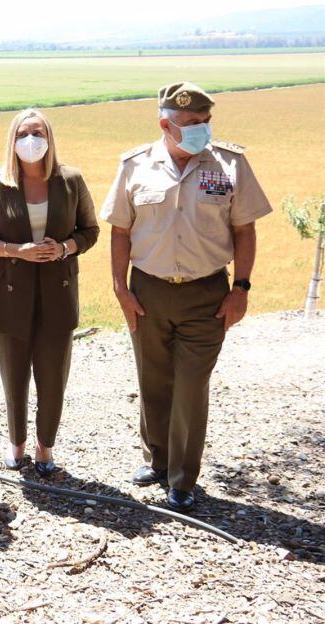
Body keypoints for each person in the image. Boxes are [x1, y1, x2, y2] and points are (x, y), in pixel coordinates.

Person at [99, 82, 271, 511]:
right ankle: (156, 460)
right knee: (153, 379)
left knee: (191, 386)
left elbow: (245, 229)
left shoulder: (230, 164)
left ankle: (182, 478)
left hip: (207, 295)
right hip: (149, 291)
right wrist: (121, 289)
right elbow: (120, 230)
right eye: (190, 124)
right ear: (165, 124)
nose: (201, 130)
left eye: (205, 121)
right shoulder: (136, 166)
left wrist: (241, 289)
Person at [0, 108, 99, 476]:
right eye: (24, 133)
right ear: (13, 140)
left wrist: (63, 248)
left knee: (53, 376)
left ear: (50, 137)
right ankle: (17, 445)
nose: (31, 140)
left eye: (38, 132)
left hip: (58, 293)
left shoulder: (71, 180)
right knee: (14, 378)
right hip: (10, 295)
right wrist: (16, 251)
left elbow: (89, 230)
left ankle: (45, 449)